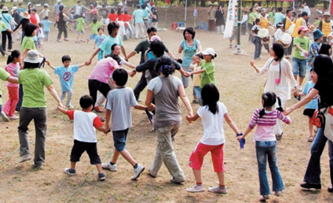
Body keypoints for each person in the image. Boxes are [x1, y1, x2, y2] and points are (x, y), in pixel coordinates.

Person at [284, 55, 333, 193]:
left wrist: (291, 108)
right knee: (319, 150)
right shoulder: (330, 80)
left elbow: (308, 97)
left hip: (330, 120)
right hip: (329, 119)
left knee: (332, 153)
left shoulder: (322, 81)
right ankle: (315, 181)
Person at [145, 56, 194, 185]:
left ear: (157, 69)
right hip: (176, 120)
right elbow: (183, 96)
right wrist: (190, 110)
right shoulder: (177, 81)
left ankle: (178, 176)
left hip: (163, 121)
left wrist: (152, 107)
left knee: (167, 149)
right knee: (163, 144)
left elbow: (147, 103)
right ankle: (153, 170)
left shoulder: (154, 82)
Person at [185, 83, 241, 194]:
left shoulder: (203, 109)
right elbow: (229, 121)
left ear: (203, 96)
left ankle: (199, 184)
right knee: (218, 162)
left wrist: (188, 118)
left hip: (207, 140)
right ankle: (222, 186)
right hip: (220, 140)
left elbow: (193, 119)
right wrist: (238, 133)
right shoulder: (222, 106)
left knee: (195, 157)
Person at [99, 68, 149, 180]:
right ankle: (112, 164)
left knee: (120, 146)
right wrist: (146, 108)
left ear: (113, 81)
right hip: (127, 123)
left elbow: (108, 111)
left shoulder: (111, 93)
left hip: (117, 125)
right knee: (119, 144)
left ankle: (136, 166)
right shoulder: (129, 90)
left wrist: (106, 125)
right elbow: (135, 105)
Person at [239, 92, 290, 201]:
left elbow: (251, 125)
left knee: (262, 169)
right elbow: (288, 121)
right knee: (273, 165)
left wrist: (243, 136)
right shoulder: (276, 113)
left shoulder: (258, 112)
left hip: (260, 143)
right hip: (272, 142)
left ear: (263, 102)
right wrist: (284, 111)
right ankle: (278, 188)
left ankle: (265, 193)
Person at [18, 50, 63, 168]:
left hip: (26, 107)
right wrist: (59, 101)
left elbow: (18, 80)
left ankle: (25, 152)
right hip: (41, 108)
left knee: (22, 129)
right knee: (41, 134)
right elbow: (50, 87)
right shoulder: (42, 73)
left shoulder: (22, 73)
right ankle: (39, 162)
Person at [248, 43, 298, 140]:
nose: (270, 50)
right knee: (270, 112)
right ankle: (273, 131)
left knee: (278, 111)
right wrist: (254, 66)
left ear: (276, 51)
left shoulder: (285, 63)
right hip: (270, 91)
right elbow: (262, 71)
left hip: (281, 92)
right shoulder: (270, 61)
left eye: (272, 49)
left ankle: (278, 132)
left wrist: (295, 88)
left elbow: (290, 76)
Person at [59, 95, 108, 181]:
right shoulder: (93, 116)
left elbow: (66, 112)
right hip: (91, 141)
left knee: (74, 155)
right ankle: (101, 173)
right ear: (91, 106)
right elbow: (98, 126)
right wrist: (105, 130)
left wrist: (60, 107)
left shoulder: (76, 113)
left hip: (79, 140)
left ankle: (72, 169)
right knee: (95, 156)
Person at [2, 50, 22, 121]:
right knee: (15, 99)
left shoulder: (15, 64)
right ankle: (8, 112)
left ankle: (8, 112)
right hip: (14, 85)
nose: (21, 58)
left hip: (10, 85)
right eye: (20, 56)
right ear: (15, 58)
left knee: (11, 98)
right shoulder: (11, 65)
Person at [301, 68, 319, 142]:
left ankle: (316, 132)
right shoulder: (308, 84)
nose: (312, 74)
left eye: (314, 73)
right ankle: (311, 134)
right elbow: (304, 93)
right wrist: (298, 94)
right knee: (310, 120)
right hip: (309, 106)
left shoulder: (320, 84)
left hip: (317, 106)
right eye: (311, 73)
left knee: (318, 120)